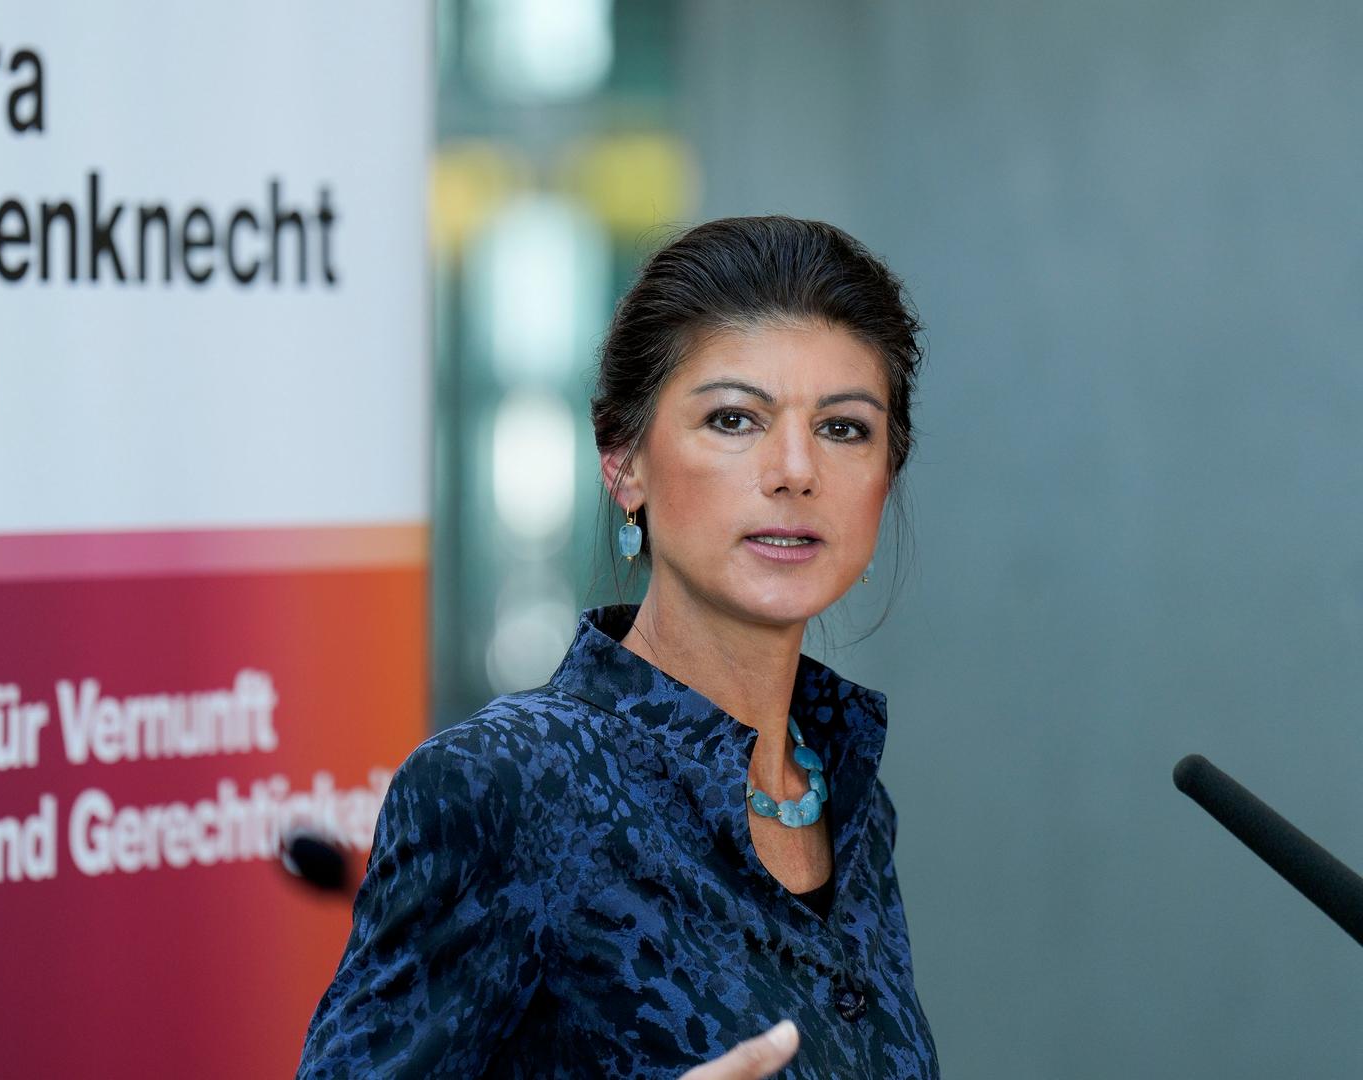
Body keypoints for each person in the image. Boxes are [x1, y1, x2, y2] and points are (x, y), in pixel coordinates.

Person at [296, 216, 939, 1078]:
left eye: (843, 429)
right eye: (735, 420)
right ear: (624, 463)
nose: (795, 470)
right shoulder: (508, 787)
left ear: (886, 475)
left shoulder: (850, 798)